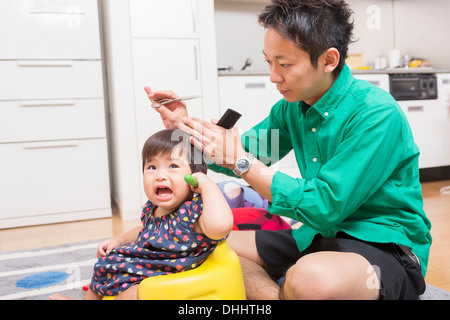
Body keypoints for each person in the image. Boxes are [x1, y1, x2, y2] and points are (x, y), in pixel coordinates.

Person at [144, 0, 431, 300]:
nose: (273, 77)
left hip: (383, 244)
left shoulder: (376, 114)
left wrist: (241, 162)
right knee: (201, 243)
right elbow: (235, 153)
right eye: (269, 62)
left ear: (328, 60)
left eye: (285, 64)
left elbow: (324, 206)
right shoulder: (291, 109)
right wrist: (180, 127)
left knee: (309, 281)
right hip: (317, 236)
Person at [50, 129, 233, 300]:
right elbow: (145, 230)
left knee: (132, 294)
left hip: (172, 273)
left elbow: (219, 227)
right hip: (149, 265)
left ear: (194, 176)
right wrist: (119, 240)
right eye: (152, 167)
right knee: (106, 264)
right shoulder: (152, 208)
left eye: (172, 166)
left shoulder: (193, 212)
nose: (160, 175)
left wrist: (207, 185)